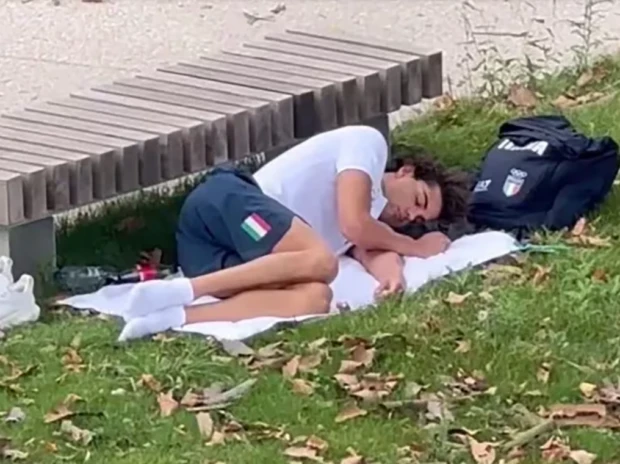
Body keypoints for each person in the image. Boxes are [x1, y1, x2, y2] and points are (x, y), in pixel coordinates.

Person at [117, 125, 469, 341]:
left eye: (418, 219)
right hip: (227, 208)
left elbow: (369, 246)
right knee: (323, 263)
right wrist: (415, 246)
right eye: (419, 200)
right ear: (406, 171)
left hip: (226, 263)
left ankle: (169, 317)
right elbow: (355, 225)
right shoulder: (368, 145)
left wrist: (393, 277)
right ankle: (184, 290)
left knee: (316, 298)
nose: (410, 214)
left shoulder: (372, 222)